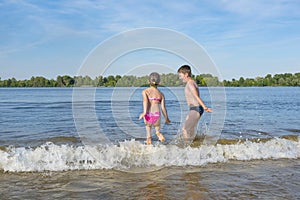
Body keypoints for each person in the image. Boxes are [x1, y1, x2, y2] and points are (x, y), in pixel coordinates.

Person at [177, 65, 212, 140]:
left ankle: (187, 146)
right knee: (191, 130)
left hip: (196, 108)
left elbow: (196, 96)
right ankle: (194, 145)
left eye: (180, 76)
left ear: (186, 74)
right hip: (196, 109)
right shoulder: (192, 82)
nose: (180, 78)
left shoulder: (190, 83)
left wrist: (205, 107)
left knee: (185, 129)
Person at [139, 72, 171, 145]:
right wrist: (166, 118)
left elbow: (145, 101)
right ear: (159, 82)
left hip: (148, 114)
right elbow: (163, 108)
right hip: (157, 115)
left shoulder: (145, 91)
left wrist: (144, 112)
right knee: (157, 128)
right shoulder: (161, 94)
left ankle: (149, 140)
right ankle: (158, 133)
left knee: (148, 128)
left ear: (148, 81)